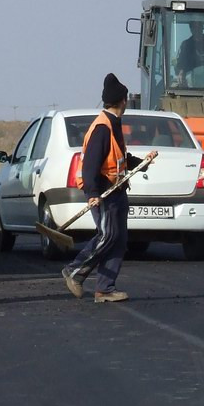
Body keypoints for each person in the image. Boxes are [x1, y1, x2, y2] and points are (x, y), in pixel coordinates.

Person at [61, 73, 157, 303]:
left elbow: (118, 158)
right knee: (108, 235)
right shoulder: (103, 127)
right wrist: (93, 193)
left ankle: (105, 288)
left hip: (117, 190)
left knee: (119, 238)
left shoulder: (113, 124)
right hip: (104, 191)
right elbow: (91, 164)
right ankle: (74, 271)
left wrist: (142, 162)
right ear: (123, 100)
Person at [174, 21, 204, 86]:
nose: (196, 29)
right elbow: (180, 63)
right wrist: (181, 72)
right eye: (194, 27)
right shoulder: (186, 44)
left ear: (202, 27)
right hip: (190, 82)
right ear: (191, 29)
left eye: (199, 27)